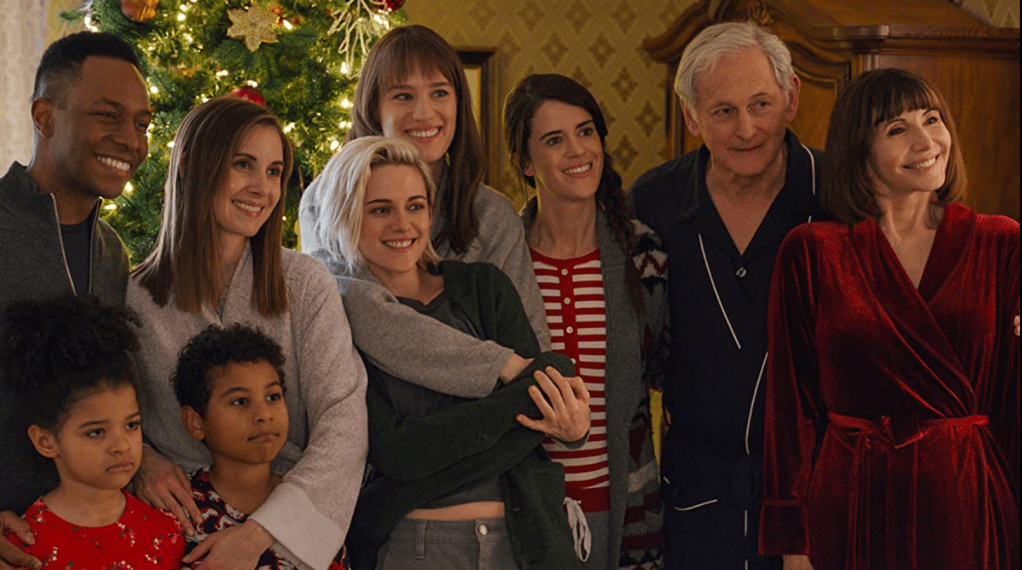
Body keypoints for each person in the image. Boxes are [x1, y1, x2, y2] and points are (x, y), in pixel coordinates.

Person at [760, 68, 1019, 570]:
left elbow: (1012, 400)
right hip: (851, 502)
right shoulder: (814, 251)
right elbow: (790, 408)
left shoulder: (1001, 243)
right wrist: (794, 540)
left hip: (966, 505)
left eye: (933, 119)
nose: (927, 141)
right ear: (859, 149)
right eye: (897, 129)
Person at [310, 136, 587, 570]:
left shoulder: (483, 288)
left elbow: (555, 380)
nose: (403, 224)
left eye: (415, 205)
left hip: (527, 541)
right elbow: (398, 452)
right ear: (347, 216)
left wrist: (559, 416)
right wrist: (523, 417)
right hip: (413, 549)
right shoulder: (342, 317)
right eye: (380, 209)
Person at [126, 97, 368, 570]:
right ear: (196, 166)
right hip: (176, 528)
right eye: (243, 165)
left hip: (291, 526)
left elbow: (343, 419)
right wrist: (143, 460)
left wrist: (262, 532)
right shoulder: (135, 297)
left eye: (275, 171)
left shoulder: (304, 282)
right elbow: (109, 414)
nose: (263, 188)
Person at [629, 22, 825, 570]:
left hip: (819, 496)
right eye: (723, 111)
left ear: (791, 98)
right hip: (695, 497)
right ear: (691, 117)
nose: (747, 129)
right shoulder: (653, 200)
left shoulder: (839, 192)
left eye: (761, 103)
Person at [299, 24, 550, 403]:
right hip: (367, 429)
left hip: (485, 431)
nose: (424, 112)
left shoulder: (491, 214)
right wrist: (496, 364)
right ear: (373, 108)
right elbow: (362, 317)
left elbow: (529, 346)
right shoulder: (325, 199)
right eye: (403, 96)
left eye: (439, 93)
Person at [503, 74, 668, 570]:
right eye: (554, 140)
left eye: (586, 131)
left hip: (627, 507)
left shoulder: (643, 254)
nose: (578, 150)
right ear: (525, 163)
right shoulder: (500, 261)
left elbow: (664, 369)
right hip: (520, 511)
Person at [0, 31, 151, 570]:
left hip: (86, 538)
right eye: (108, 116)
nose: (131, 141)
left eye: (142, 124)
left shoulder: (111, 252)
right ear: (45, 117)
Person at [0, 296, 184, 568]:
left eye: (131, 425)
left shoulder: (167, 531)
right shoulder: (21, 544)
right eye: (96, 432)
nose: (121, 445)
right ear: (45, 441)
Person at [172, 323, 349, 569]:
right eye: (240, 401)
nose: (264, 414)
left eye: (273, 397)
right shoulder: (178, 512)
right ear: (195, 422)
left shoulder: (312, 505)